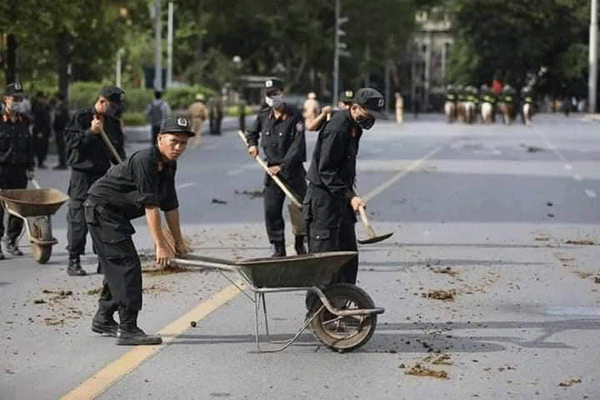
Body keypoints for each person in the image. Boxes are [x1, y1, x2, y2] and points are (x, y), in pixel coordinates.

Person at [85, 116, 192, 345]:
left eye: (183, 143)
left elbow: (170, 205)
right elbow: (151, 206)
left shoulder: (169, 164)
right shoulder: (146, 161)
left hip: (117, 214)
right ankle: (128, 328)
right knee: (127, 266)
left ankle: (103, 318)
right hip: (102, 211)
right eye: (173, 141)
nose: (178, 147)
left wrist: (179, 241)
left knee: (118, 266)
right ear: (160, 139)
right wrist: (161, 245)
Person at [304, 88, 385, 302]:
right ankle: (317, 314)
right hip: (324, 205)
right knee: (325, 265)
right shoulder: (337, 128)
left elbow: (344, 167)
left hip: (340, 202)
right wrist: (350, 196)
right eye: (368, 114)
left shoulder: (354, 127)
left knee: (348, 261)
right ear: (355, 108)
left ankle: (341, 310)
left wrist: (350, 193)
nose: (371, 119)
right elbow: (326, 170)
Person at [64, 86, 126, 276]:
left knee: (102, 217)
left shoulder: (113, 123)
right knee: (78, 219)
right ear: (102, 101)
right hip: (82, 176)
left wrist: (125, 170)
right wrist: (90, 132)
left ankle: (102, 259)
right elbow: (71, 143)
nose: (115, 110)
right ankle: (74, 260)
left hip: (102, 176)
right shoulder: (81, 118)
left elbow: (118, 152)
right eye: (112, 106)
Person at [246, 78, 307, 257]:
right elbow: (252, 132)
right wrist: (252, 144)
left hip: (292, 170)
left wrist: (283, 166)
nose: (273, 97)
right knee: (271, 210)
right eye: (269, 95)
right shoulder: (264, 115)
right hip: (272, 173)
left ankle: (300, 242)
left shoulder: (294, 115)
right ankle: (278, 247)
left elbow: (297, 145)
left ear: (282, 93)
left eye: (276, 93)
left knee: (300, 208)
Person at [0, 82, 35, 259]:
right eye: (14, 98)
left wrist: (31, 166)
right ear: (5, 99)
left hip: (19, 170)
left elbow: (30, 146)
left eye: (20, 99)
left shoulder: (24, 121)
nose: (17, 102)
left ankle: (12, 240)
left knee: (18, 208)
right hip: (1, 169)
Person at [31, 92, 52, 169]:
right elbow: (37, 121)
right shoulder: (37, 108)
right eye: (42, 98)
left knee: (44, 147)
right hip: (39, 131)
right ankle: (39, 162)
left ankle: (41, 161)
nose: (44, 100)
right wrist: (39, 131)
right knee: (39, 147)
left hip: (45, 131)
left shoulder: (46, 108)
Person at [52, 93, 70, 170]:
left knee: (62, 148)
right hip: (59, 130)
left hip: (61, 130)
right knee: (60, 148)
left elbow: (63, 120)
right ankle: (62, 162)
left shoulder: (63, 109)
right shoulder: (59, 108)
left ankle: (63, 163)